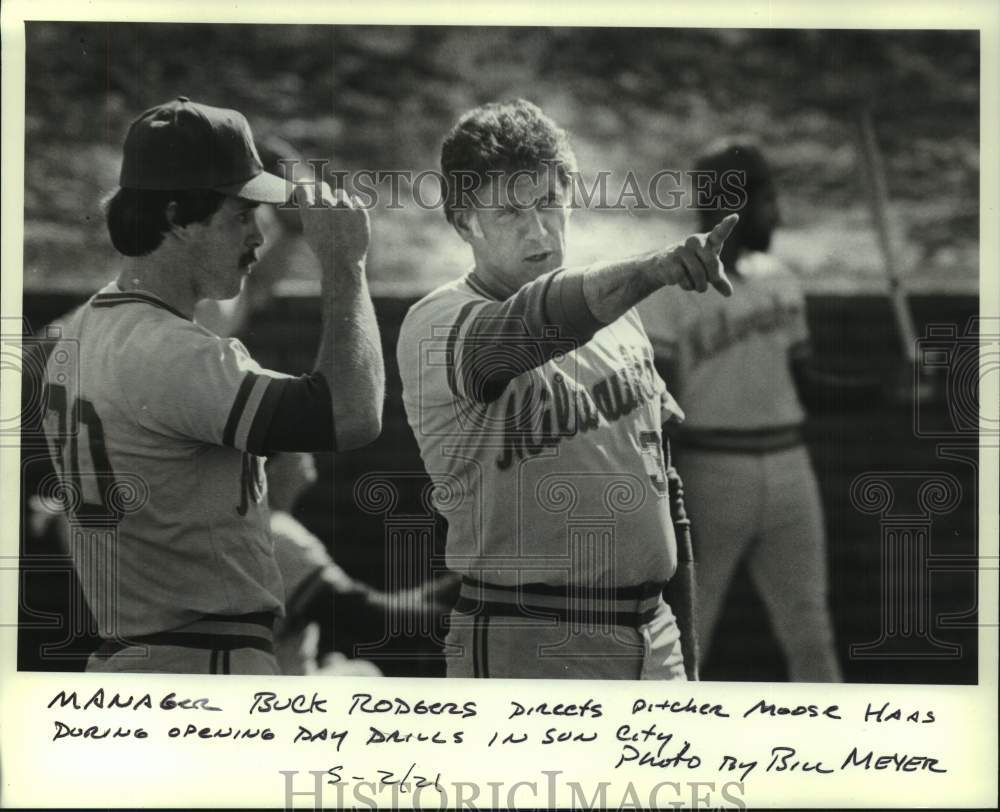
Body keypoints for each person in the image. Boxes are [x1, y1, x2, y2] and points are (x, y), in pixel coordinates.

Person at [40, 96, 384, 675]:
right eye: (241, 216)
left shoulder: (92, 328)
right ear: (177, 218)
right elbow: (351, 415)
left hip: (139, 657)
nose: (258, 236)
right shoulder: (172, 348)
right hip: (204, 668)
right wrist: (347, 267)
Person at [397, 99, 738, 680]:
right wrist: (653, 270)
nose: (538, 229)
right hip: (530, 635)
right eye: (509, 211)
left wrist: (688, 662)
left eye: (550, 202)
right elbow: (531, 326)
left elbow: (665, 489)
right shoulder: (438, 321)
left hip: (655, 637)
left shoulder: (617, 315)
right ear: (462, 222)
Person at [637, 140, 843, 682]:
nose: (777, 214)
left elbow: (811, 387)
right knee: (689, 633)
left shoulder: (780, 278)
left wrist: (895, 392)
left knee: (809, 626)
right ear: (734, 205)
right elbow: (658, 403)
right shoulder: (671, 286)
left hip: (790, 465)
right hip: (712, 472)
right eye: (768, 200)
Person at [266, 451, 456, 675]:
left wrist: (453, 589)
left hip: (274, 682)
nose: (309, 450)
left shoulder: (271, 526)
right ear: (269, 468)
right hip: (274, 694)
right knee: (362, 674)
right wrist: (469, 618)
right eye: (294, 444)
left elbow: (367, 607)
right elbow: (367, 617)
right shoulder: (277, 533)